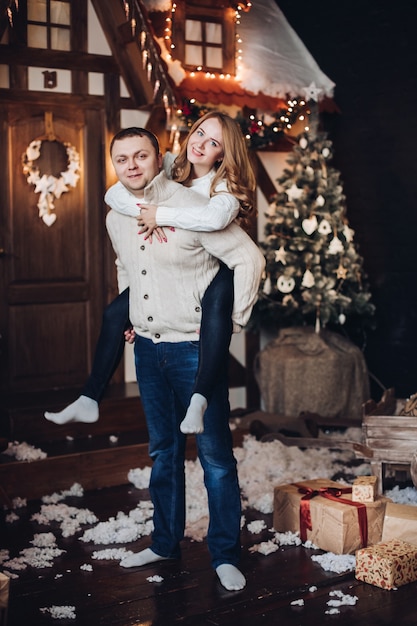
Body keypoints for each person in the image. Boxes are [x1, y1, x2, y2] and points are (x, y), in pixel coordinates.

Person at [105, 127, 264, 591]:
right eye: (122, 158)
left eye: (141, 156)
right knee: (163, 453)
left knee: (214, 457)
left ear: (159, 158)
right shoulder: (118, 213)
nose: (132, 165)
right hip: (149, 350)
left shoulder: (195, 209)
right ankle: (164, 543)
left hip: (194, 349)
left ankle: (225, 554)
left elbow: (247, 258)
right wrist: (129, 311)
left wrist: (230, 322)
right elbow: (125, 265)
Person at [44, 112, 256, 434]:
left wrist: (161, 215)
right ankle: (89, 399)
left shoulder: (222, 189)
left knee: (217, 309)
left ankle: (200, 397)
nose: (200, 143)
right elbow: (119, 192)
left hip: (219, 265)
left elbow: (212, 223)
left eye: (213, 142)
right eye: (199, 133)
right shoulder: (173, 167)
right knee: (115, 313)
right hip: (173, 272)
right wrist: (136, 312)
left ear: (223, 154)